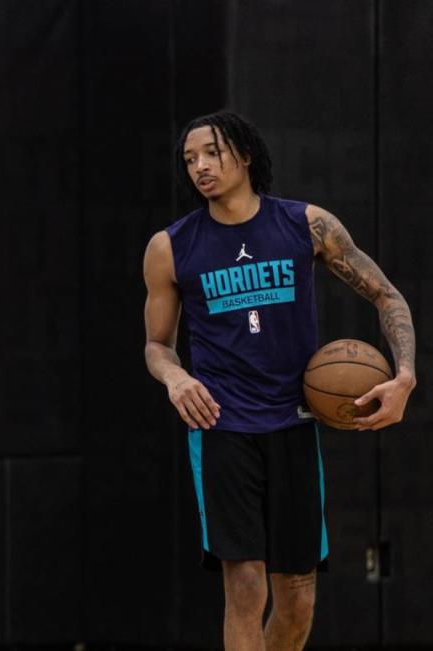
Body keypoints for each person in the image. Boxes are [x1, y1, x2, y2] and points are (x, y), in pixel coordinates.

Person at [143, 111, 415, 650]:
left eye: (211, 152)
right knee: (244, 585)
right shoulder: (171, 247)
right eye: (189, 158)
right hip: (222, 428)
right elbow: (157, 345)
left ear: (244, 153)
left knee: (297, 596)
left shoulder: (305, 225)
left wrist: (404, 375)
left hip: (294, 423)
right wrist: (175, 378)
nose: (199, 165)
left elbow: (386, 295)